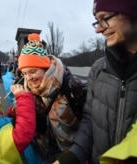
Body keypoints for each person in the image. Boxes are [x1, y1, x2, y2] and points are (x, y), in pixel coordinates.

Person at [49, 0, 137, 164]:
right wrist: (75, 154)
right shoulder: (99, 68)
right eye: (97, 20)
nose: (98, 29)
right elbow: (90, 119)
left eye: (105, 18)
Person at [8, 33, 87, 163]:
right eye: (24, 73)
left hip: (71, 156)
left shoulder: (71, 85)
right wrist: (17, 109)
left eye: (33, 71)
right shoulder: (26, 89)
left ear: (47, 68)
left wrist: (78, 153)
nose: (28, 79)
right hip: (45, 154)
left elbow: (89, 122)